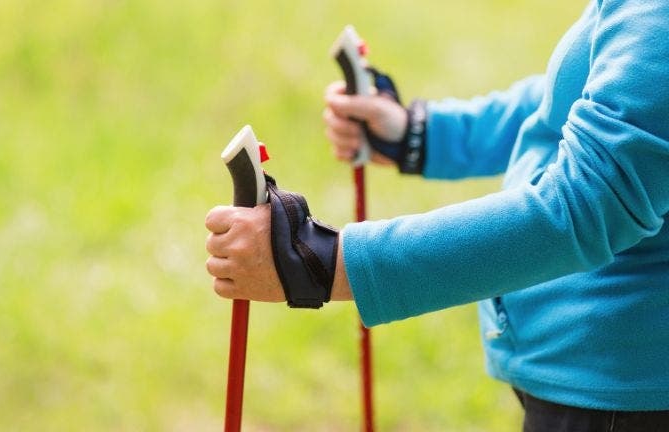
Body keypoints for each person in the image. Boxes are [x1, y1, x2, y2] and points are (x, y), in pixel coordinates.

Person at [205, 0, 669, 430]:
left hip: (618, 396)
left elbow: (587, 206)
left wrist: (318, 260)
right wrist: (422, 135)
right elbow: (580, 96)